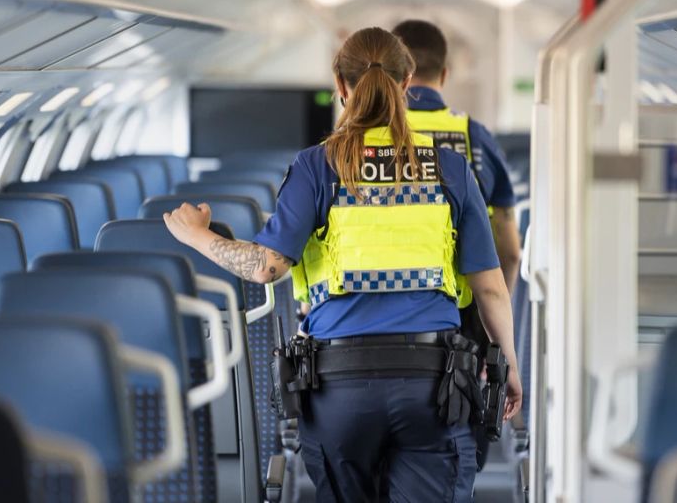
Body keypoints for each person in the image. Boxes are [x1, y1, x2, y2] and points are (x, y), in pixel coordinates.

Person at [164, 27, 522, 502]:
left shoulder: (316, 166)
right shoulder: (448, 168)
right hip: (432, 384)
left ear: (340, 84)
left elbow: (266, 267)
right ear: (408, 80)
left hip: (338, 386)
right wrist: (508, 365)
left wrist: (198, 235)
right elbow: (491, 288)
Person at [393, 19, 522, 469]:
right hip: (459, 316)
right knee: (452, 451)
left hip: (366, 315)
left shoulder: (356, 142)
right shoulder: (475, 139)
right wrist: (494, 324)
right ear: (444, 73)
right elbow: (508, 249)